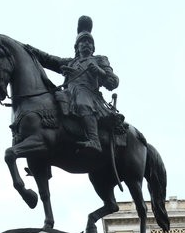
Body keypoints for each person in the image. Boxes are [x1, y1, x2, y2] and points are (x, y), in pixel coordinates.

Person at [25, 16, 119, 154]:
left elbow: (113, 82)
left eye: (89, 42)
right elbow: (48, 59)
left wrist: (99, 71)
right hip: (69, 93)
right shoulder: (70, 62)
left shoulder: (99, 59)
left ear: (93, 47)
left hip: (89, 95)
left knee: (82, 102)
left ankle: (94, 140)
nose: (86, 44)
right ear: (77, 47)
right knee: (50, 102)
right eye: (82, 42)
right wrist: (28, 49)